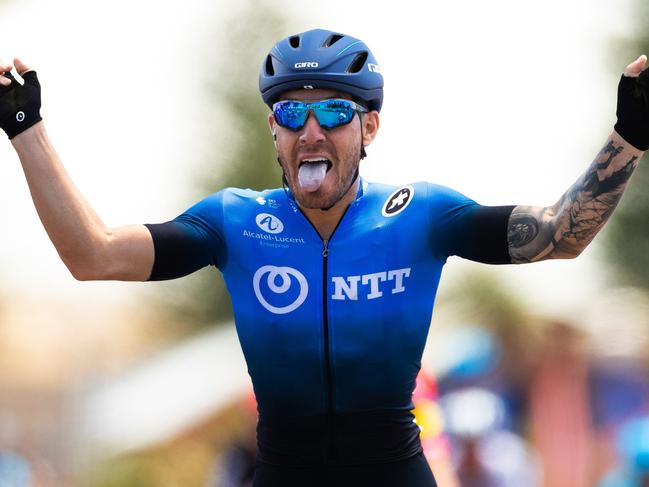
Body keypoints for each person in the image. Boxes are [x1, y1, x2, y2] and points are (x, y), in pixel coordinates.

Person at [0, 28, 647, 487]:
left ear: (368, 128)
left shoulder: (420, 214)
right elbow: (92, 255)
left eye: (335, 109)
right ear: (273, 131)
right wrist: (27, 130)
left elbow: (563, 233)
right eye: (292, 111)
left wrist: (628, 137)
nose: (312, 129)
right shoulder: (231, 220)